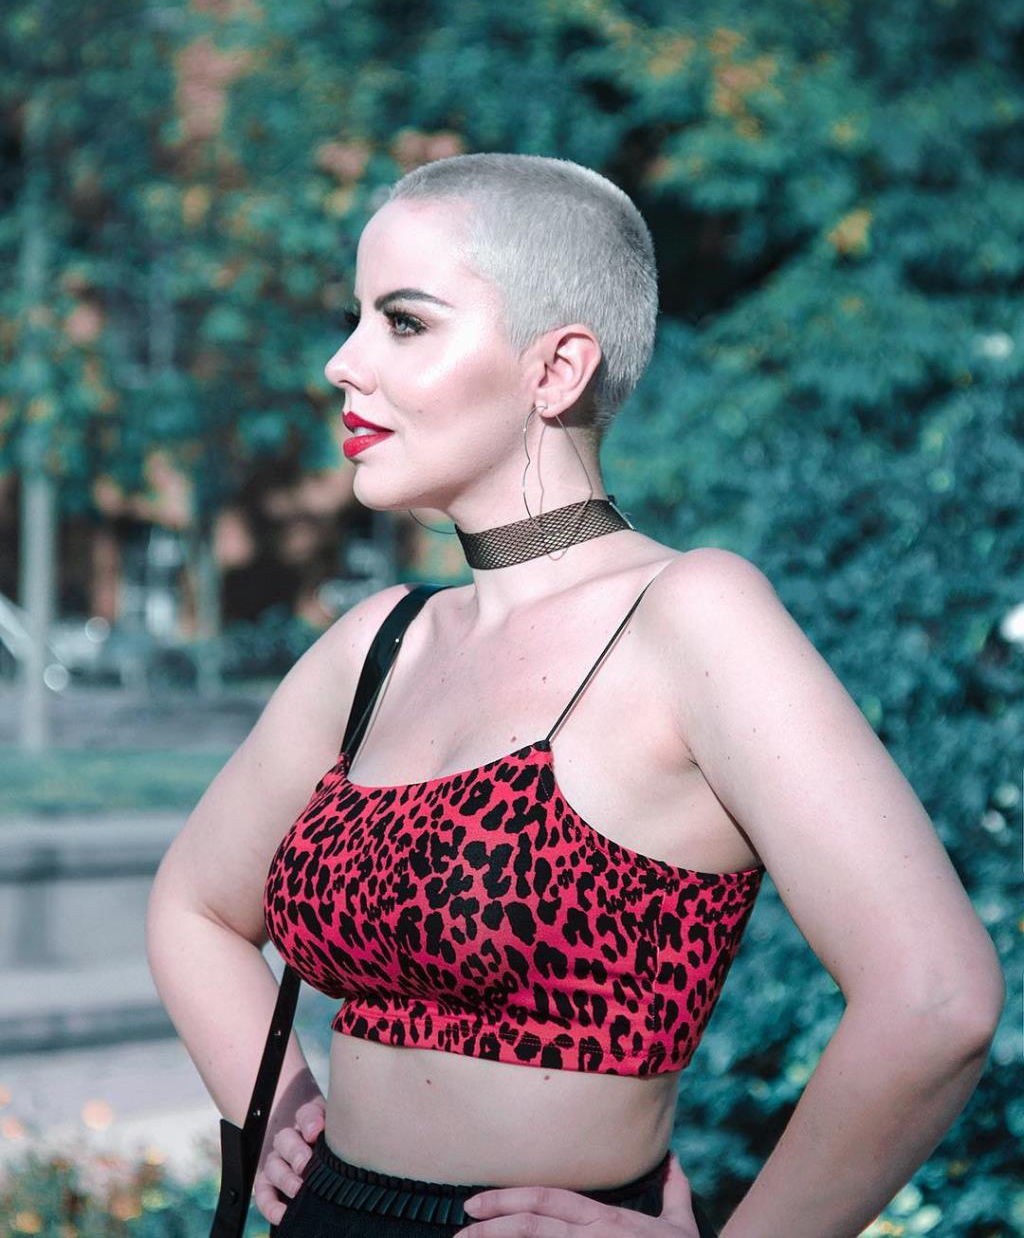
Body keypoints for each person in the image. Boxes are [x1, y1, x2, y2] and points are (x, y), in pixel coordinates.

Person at [146, 153, 1004, 1238]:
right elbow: (194, 907)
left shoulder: (690, 616)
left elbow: (935, 999)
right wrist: (273, 1106)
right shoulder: (379, 643)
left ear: (555, 369)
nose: (342, 363)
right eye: (353, 319)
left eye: (403, 322)